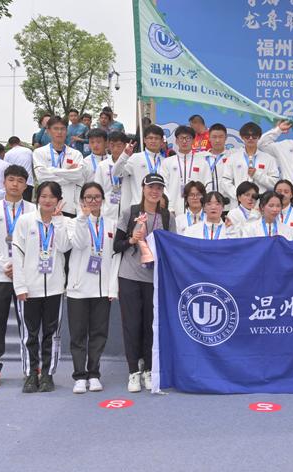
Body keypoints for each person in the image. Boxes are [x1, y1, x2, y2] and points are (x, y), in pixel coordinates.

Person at [113, 174, 175, 392]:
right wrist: (132, 239)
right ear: (143, 188)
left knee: (150, 324)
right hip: (129, 275)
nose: (155, 191)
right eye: (151, 187)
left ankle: (148, 368)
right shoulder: (130, 212)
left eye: (159, 188)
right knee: (131, 324)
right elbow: (116, 245)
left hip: (154, 278)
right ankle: (133, 371)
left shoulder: (167, 216)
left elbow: (173, 248)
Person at [12, 181, 71, 393]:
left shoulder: (64, 222)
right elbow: (17, 255)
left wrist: (58, 220)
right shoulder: (25, 221)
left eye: (52, 197)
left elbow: (64, 246)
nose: (47, 200)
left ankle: (47, 374)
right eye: (43, 196)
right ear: (37, 198)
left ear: (58, 200)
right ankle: (30, 373)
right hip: (29, 289)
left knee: (51, 334)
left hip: (55, 288)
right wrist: (20, 286)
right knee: (30, 334)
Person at [0, 165, 34, 388]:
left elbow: (35, 243)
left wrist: (20, 268)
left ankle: (32, 367)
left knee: (29, 325)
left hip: (26, 277)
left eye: (20, 181)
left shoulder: (33, 210)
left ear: (25, 185)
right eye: (11, 179)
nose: (15, 184)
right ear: (4, 182)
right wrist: (6, 265)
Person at [67, 182, 116, 394]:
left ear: (102, 200)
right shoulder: (73, 223)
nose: (93, 201)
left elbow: (114, 258)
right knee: (78, 335)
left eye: (97, 197)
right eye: (88, 197)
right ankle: (79, 376)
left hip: (102, 289)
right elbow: (78, 244)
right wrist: (82, 218)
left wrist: (112, 288)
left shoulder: (111, 224)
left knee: (99, 333)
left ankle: (94, 373)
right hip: (78, 288)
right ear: (82, 200)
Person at [32, 116, 85, 217]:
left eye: (62, 129)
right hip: (47, 206)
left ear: (66, 131)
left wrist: (51, 171)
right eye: (56, 128)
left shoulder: (76, 154)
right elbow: (42, 177)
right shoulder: (39, 152)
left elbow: (78, 175)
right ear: (48, 131)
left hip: (69, 206)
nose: (59, 132)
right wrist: (68, 172)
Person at [222, 122, 279, 207]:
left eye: (254, 136)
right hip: (238, 204)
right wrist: (239, 195)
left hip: (261, 204)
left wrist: (257, 175)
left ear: (259, 137)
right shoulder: (233, 158)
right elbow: (225, 181)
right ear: (242, 137)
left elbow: (275, 183)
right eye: (247, 136)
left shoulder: (269, 159)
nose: (251, 138)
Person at [160, 125, 211, 216]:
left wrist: (203, 205)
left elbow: (208, 186)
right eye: (181, 138)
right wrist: (170, 207)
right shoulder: (167, 162)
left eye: (188, 138)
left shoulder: (202, 163)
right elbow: (163, 186)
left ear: (193, 140)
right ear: (176, 141)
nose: (184, 141)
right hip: (173, 210)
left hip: (197, 211)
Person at [112, 125, 165, 206]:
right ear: (144, 140)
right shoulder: (135, 158)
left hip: (160, 207)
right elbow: (116, 173)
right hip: (138, 207)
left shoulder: (165, 161)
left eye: (156, 138)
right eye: (150, 138)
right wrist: (124, 156)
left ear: (162, 141)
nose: (153, 141)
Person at [96, 131, 132, 224]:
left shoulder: (131, 163)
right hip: (107, 208)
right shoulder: (102, 165)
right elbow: (98, 189)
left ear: (125, 145)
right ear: (108, 145)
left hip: (127, 206)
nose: (115, 149)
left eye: (119, 146)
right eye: (112, 145)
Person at [201, 123, 230, 196]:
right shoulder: (200, 157)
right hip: (206, 199)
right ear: (209, 138)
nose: (217, 140)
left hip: (227, 199)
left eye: (221, 137)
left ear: (226, 138)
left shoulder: (232, 156)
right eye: (214, 137)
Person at [4, 136, 34, 201]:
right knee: (27, 203)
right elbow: (33, 164)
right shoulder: (28, 151)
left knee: (14, 202)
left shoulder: (7, 154)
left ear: (10, 144)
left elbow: (6, 169)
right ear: (19, 142)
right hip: (28, 181)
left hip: (14, 183)